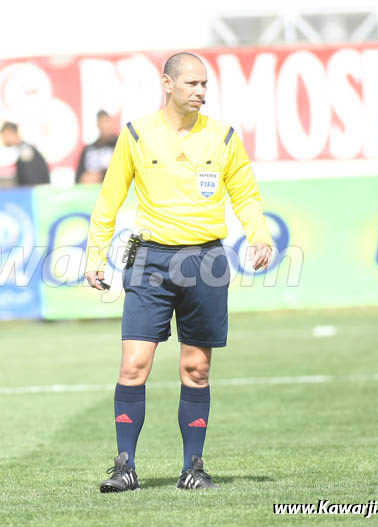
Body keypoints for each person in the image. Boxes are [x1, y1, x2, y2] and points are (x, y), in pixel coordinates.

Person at [84, 52, 274, 493]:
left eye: (205, 85)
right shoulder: (136, 135)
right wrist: (95, 256)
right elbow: (109, 200)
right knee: (133, 364)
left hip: (206, 262)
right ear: (167, 84)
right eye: (192, 84)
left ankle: (194, 467)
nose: (201, 92)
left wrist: (258, 235)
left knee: (196, 369)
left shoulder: (223, 137)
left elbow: (245, 193)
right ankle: (125, 466)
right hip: (150, 260)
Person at [0, 121, 50, 186]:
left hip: (34, 193)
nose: (2, 138)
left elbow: (32, 180)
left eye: (4, 134)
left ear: (12, 133)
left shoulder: (25, 151)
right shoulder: (22, 149)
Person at [75, 110, 118, 184]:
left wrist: (101, 176)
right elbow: (78, 176)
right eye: (102, 123)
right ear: (98, 125)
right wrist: (84, 177)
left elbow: (122, 170)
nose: (105, 126)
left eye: (107, 122)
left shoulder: (119, 145)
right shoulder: (88, 149)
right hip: (90, 190)